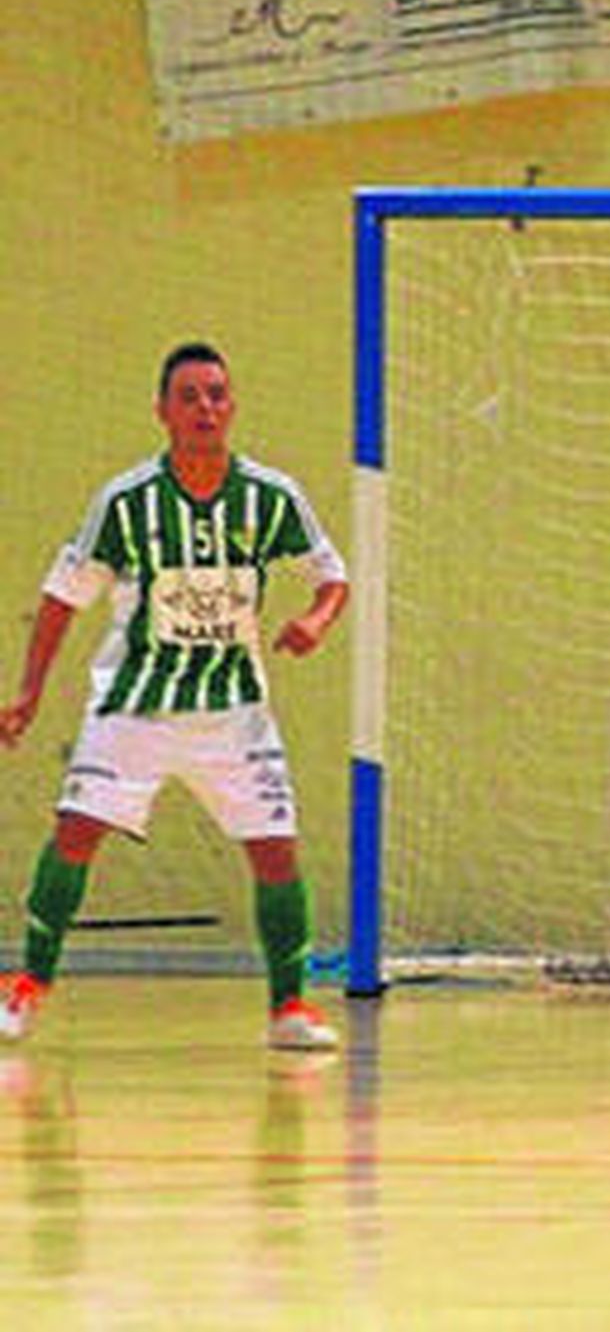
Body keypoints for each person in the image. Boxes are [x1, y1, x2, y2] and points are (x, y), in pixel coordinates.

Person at [0, 342, 348, 1051]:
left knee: (276, 851)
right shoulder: (125, 502)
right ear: (162, 411)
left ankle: (288, 1006)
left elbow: (331, 574)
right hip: (135, 708)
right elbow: (62, 598)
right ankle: (28, 985)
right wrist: (28, 694)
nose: (205, 408)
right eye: (188, 396)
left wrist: (315, 619)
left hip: (235, 712)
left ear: (233, 405)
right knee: (75, 833)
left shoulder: (270, 496)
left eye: (216, 394)